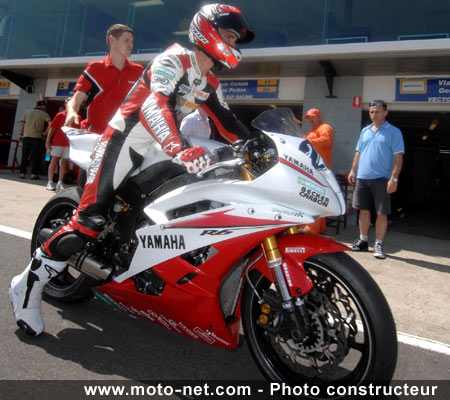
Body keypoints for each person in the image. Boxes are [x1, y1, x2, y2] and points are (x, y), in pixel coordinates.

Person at [9, 4, 255, 336]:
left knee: (188, 203)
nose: (234, 44)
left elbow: (227, 121)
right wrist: (178, 147)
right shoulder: (174, 59)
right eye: (229, 36)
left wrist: (262, 145)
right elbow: (155, 104)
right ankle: (26, 286)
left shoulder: (208, 80)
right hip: (123, 141)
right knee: (89, 221)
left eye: (235, 39)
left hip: (157, 150)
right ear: (208, 32)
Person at [348, 100, 404, 259]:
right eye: (371, 112)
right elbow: (358, 152)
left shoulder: (393, 132)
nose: (374, 114)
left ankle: (378, 244)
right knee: (363, 210)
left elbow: (398, 156)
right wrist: (353, 170)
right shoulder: (365, 131)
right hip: (362, 177)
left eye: (377, 112)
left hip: (381, 178)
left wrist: (394, 178)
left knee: (381, 212)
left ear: (385, 113)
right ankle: (363, 240)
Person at [65, 24, 144, 134]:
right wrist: (71, 112)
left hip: (125, 137)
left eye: (132, 42)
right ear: (112, 40)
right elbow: (76, 100)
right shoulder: (94, 69)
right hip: (96, 135)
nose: (131, 45)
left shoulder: (138, 71)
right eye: (126, 40)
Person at [302, 108, 334, 235]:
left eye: (313, 117)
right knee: (318, 198)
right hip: (314, 169)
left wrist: (307, 141)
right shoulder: (312, 131)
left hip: (320, 170)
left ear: (319, 117)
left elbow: (326, 141)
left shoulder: (325, 128)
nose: (310, 119)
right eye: (309, 117)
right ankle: (319, 228)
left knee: (315, 198)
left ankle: (312, 229)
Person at [45, 98, 80, 191]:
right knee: (53, 161)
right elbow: (52, 128)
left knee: (64, 163)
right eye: (67, 102)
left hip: (68, 144)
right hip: (57, 143)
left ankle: (60, 182)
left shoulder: (77, 117)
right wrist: (48, 141)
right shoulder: (60, 115)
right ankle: (50, 182)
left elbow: (77, 132)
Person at [18, 100, 51, 180]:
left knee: (25, 155)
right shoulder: (44, 114)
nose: (45, 107)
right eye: (44, 106)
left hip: (26, 136)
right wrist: (45, 133)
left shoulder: (27, 112)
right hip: (37, 137)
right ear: (42, 106)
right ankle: (33, 174)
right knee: (35, 156)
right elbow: (51, 124)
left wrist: (21, 134)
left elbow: (22, 123)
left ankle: (22, 173)